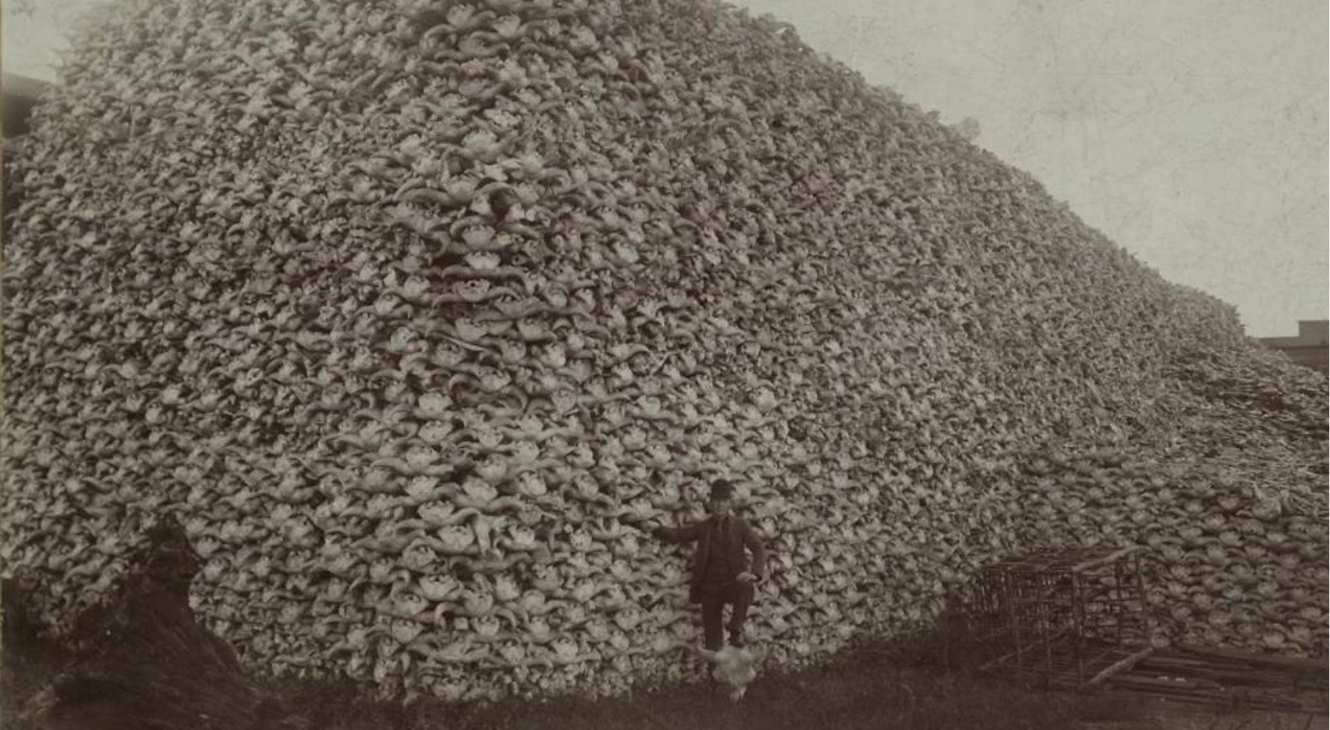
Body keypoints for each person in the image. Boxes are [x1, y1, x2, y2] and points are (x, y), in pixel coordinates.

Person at [649, 480, 767, 650]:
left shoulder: (740, 525)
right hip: (709, 588)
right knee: (712, 640)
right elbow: (679, 535)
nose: (720, 506)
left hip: (732, 583)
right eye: (716, 502)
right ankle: (716, 674)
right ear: (711, 504)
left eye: (724, 501)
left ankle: (735, 629)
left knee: (746, 586)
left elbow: (758, 547)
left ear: (729, 503)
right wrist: (656, 529)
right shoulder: (703, 527)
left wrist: (755, 573)